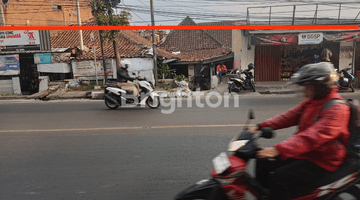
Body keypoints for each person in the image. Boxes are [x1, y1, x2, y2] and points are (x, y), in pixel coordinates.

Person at [249, 62, 350, 200]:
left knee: (279, 178)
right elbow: (288, 117)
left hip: (323, 160)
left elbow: (313, 137)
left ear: (320, 86)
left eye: (307, 86)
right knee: (263, 161)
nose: (304, 90)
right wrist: (260, 126)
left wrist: (278, 149)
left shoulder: (338, 109)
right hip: (306, 153)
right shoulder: (312, 102)